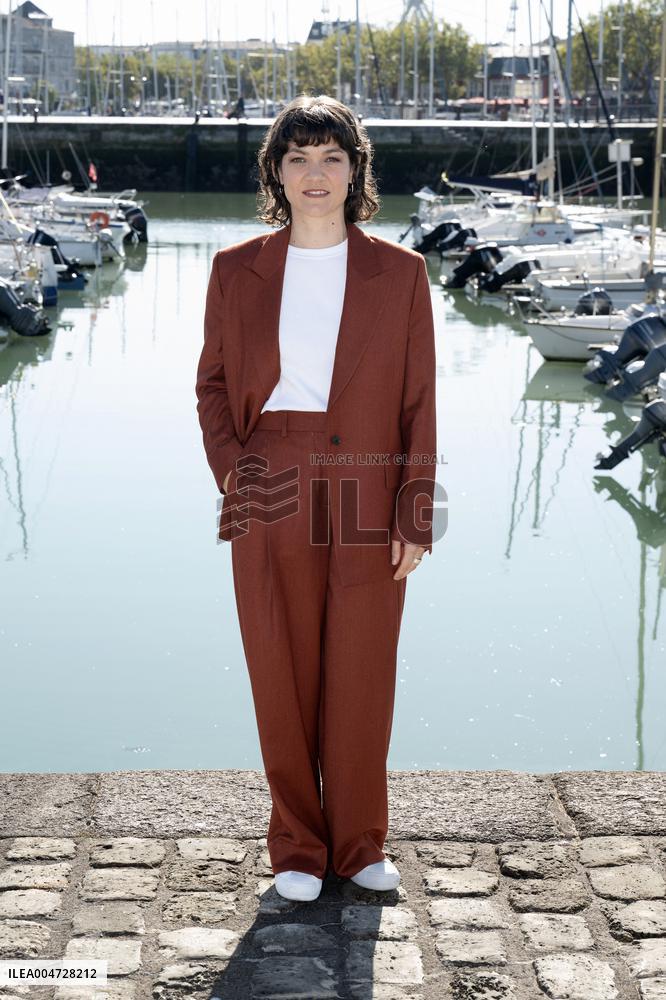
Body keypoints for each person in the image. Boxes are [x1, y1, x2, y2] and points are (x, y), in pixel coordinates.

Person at [195, 94, 436, 902]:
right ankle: (297, 846)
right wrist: (235, 472)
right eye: (297, 157)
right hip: (271, 480)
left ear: (356, 170)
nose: (314, 173)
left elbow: (419, 402)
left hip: (369, 480)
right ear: (275, 172)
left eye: (331, 157)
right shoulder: (237, 270)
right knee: (280, 666)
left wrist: (414, 512)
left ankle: (360, 843)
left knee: (363, 668)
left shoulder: (401, 273)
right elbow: (215, 385)